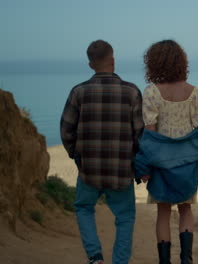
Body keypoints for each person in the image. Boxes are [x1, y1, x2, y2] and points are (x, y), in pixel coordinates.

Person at [60, 40, 144, 264]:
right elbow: (140, 134)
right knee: (125, 218)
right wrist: (134, 162)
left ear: (90, 65)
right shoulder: (131, 92)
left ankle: (95, 257)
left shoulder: (78, 92)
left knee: (84, 207)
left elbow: (66, 130)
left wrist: (77, 156)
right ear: (113, 60)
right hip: (121, 170)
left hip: (89, 170)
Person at [134, 40, 198, 264]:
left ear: (153, 63)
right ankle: (186, 260)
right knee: (186, 210)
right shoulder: (194, 92)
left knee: (162, 212)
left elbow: (149, 136)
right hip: (188, 162)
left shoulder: (151, 92)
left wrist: (144, 166)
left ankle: (164, 262)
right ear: (181, 62)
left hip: (161, 162)